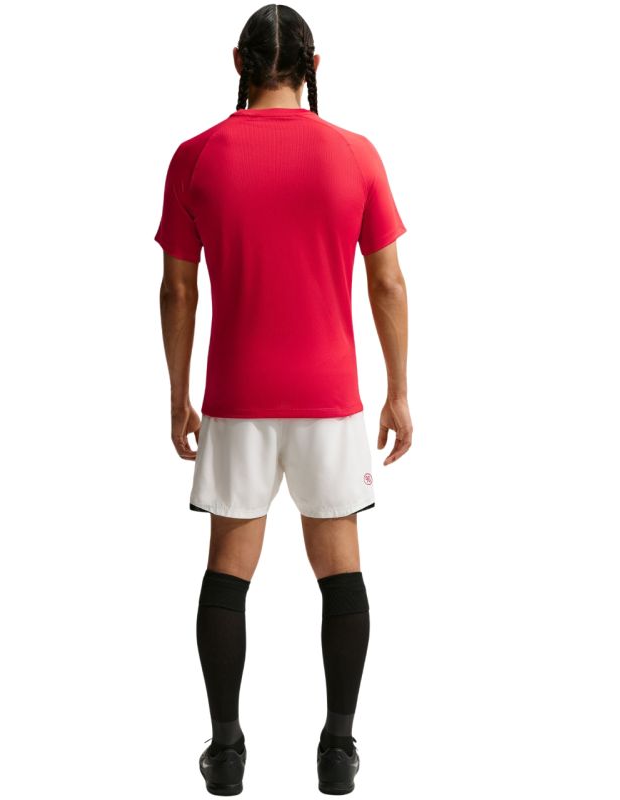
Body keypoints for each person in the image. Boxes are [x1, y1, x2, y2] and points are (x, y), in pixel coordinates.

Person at [155, 4, 412, 794]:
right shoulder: (355, 154)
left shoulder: (197, 156)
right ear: (314, 66)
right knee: (340, 570)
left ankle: (226, 749)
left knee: (228, 570)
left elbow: (177, 288)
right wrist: (399, 392)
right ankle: (338, 748)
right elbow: (388, 282)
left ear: (239, 61)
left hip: (237, 395)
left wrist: (177, 393)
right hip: (329, 398)